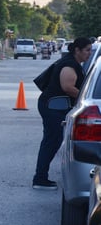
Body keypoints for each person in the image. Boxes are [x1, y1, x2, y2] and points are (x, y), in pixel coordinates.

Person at [32, 37, 92, 190]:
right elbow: (68, 87)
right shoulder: (69, 65)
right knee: (51, 141)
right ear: (77, 50)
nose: (89, 53)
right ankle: (40, 179)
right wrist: (85, 97)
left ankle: (40, 176)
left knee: (52, 140)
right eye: (87, 50)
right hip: (53, 107)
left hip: (55, 106)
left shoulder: (73, 62)